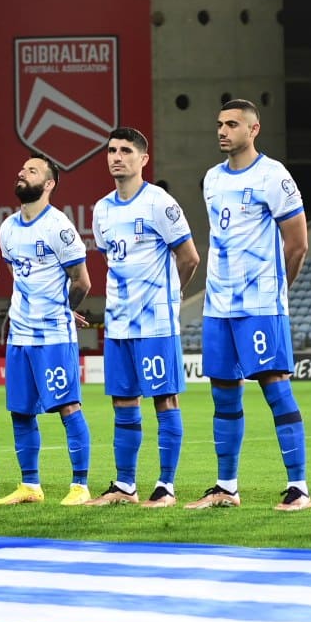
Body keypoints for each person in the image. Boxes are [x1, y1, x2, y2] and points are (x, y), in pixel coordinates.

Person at [193, 98, 310, 511]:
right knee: (223, 394)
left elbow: (297, 243)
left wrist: (276, 291)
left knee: (275, 388)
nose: (223, 131)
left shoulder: (272, 175)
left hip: (259, 303)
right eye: (220, 124)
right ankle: (226, 487)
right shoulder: (211, 178)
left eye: (232, 124)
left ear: (253, 129)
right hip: (217, 305)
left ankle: (299, 488)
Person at [86, 127, 200, 508]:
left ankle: (166, 487)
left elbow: (189, 257)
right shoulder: (101, 209)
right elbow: (110, 259)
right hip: (118, 323)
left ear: (143, 159)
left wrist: (171, 295)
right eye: (111, 151)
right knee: (123, 402)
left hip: (155, 323)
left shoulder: (159, 203)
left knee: (164, 400)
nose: (116, 157)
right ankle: (124, 486)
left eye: (125, 151)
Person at [0, 153, 94, 506]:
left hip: (52, 336)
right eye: (22, 169)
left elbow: (82, 281)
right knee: (21, 411)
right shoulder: (7, 227)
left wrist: (62, 309)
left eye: (32, 171)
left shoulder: (58, 227)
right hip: (19, 335)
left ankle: (80, 486)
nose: (23, 173)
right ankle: (30, 486)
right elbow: (18, 275)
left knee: (68, 406)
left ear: (49, 184)